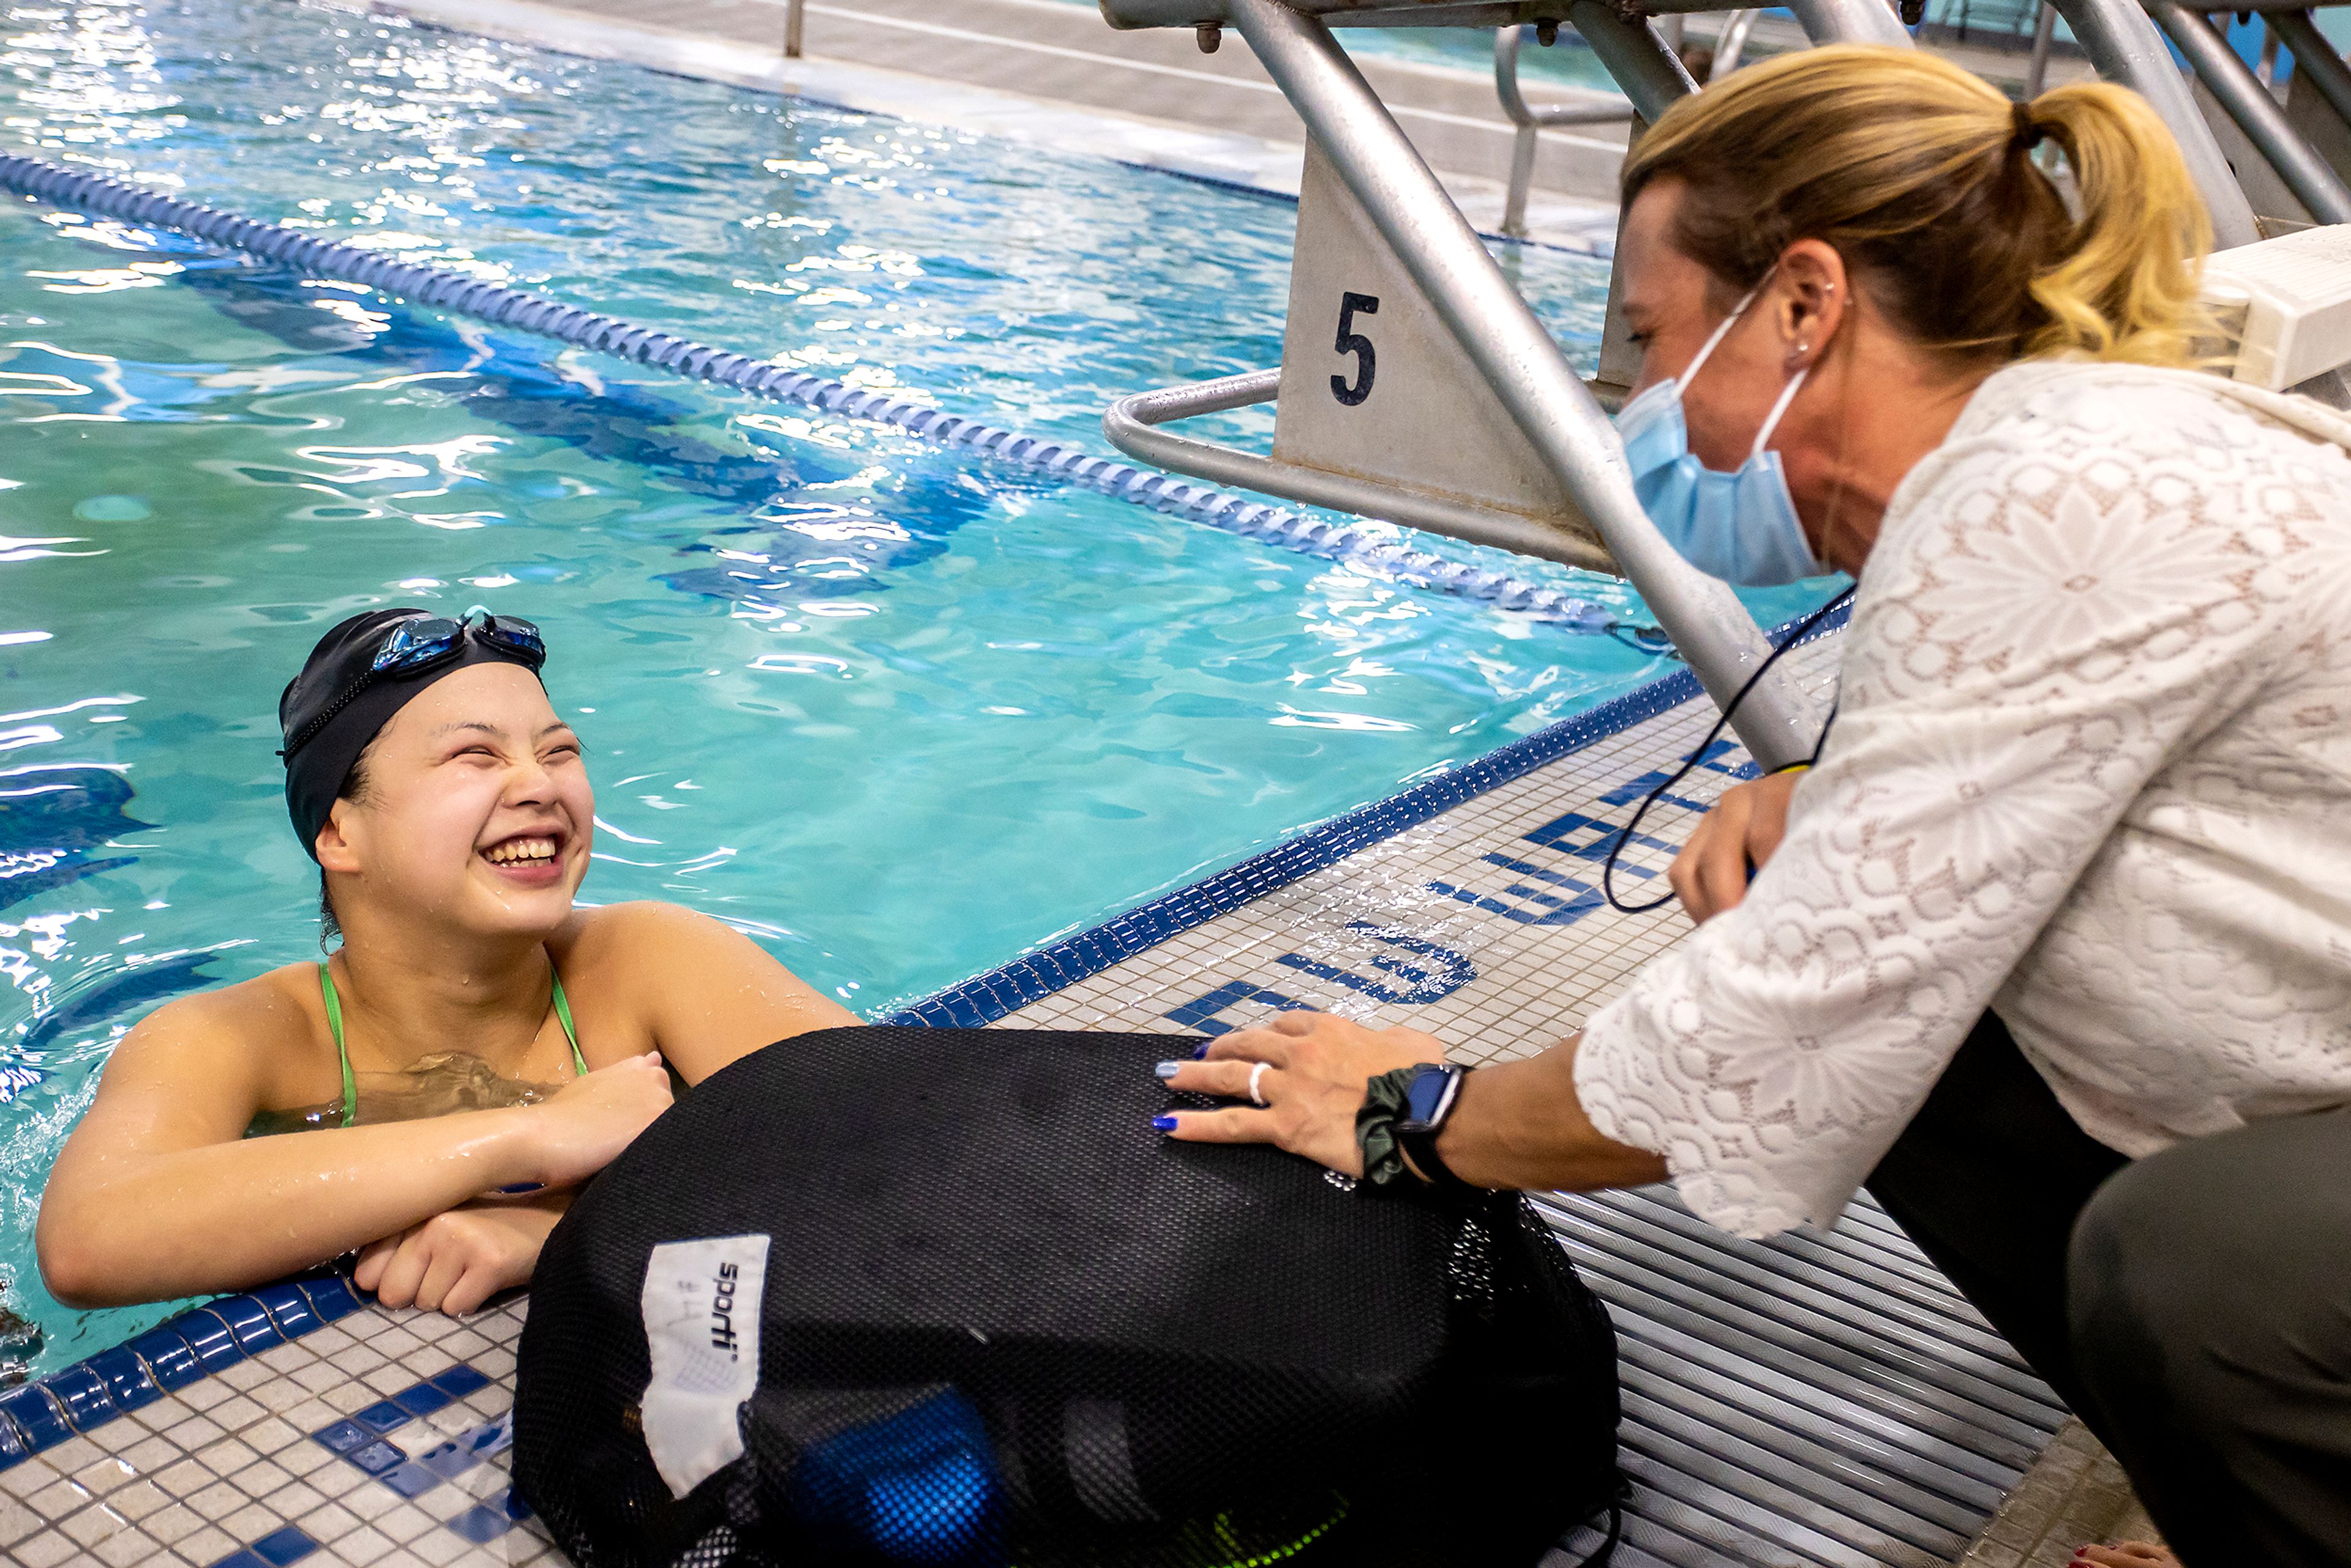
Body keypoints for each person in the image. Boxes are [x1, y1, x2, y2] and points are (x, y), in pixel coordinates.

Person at [1152, 45, 2351, 1568]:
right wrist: (1823, 791)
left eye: (1653, 342)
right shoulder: (2054, 454)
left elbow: (1764, 1038)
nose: (1643, 399)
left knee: (2201, 1270)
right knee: (1920, 1030)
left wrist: (1415, 1115)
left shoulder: (2040, 504)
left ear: (1802, 301)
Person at [39, 608, 857, 1316]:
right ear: (338, 833)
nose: (539, 784)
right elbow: (88, 1239)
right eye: (476, 757)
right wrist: (527, 1138)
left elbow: (883, 1130)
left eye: (559, 750)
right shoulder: (238, 1038)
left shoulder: (649, 957)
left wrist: (563, 1233)